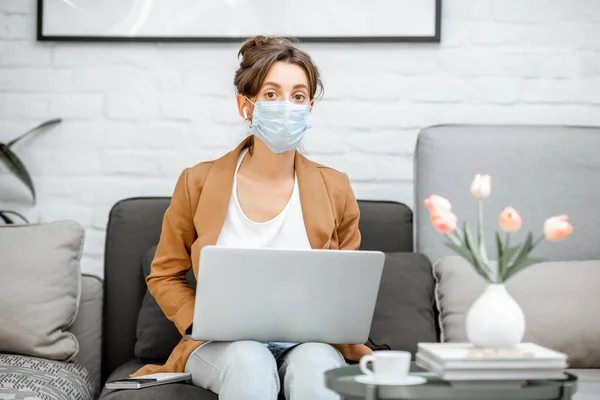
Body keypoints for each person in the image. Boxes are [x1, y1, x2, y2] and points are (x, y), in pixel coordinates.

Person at [132, 35, 373, 399]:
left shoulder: (335, 188)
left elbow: (345, 288)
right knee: (250, 359)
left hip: (308, 342)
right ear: (246, 106)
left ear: (310, 107)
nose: (287, 105)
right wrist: (199, 320)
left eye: (298, 95)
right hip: (222, 344)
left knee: (316, 366)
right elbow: (165, 273)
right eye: (272, 94)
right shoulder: (197, 182)